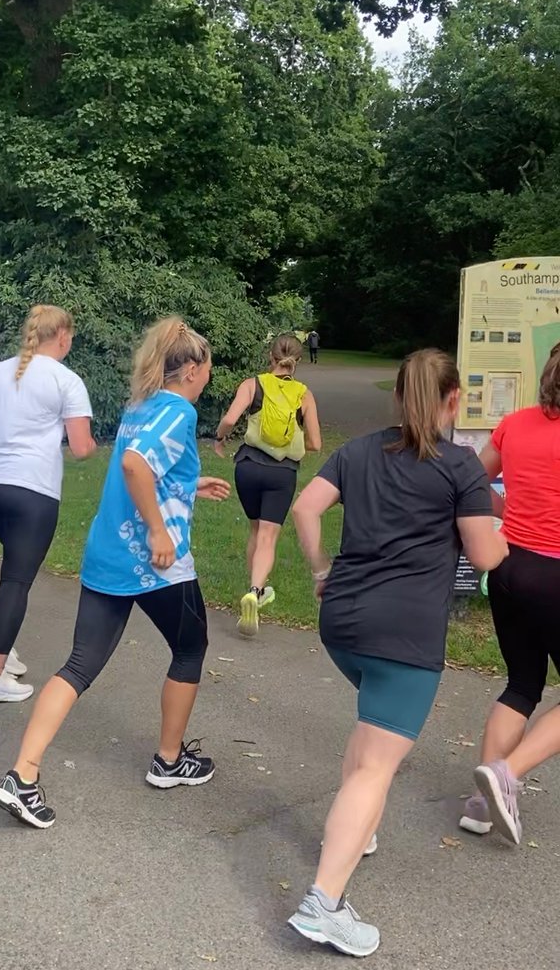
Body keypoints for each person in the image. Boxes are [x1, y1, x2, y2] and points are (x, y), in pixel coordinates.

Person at [288, 349, 507, 957]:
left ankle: (357, 833)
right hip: (404, 636)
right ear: (453, 400)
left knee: (371, 735)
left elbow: (306, 508)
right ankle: (323, 905)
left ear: (396, 397)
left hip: (344, 623)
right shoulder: (460, 467)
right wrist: (512, 533)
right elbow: (485, 558)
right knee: (376, 766)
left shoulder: (358, 450)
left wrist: (319, 570)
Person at [0, 316, 229, 828]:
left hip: (106, 553)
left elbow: (148, 468)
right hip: (157, 563)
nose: (209, 375)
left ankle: (22, 775)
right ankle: (169, 761)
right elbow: (135, 467)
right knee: (190, 647)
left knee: (79, 664)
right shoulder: (178, 411)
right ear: (189, 369)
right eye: (207, 366)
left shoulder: (139, 406)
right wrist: (160, 532)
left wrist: (189, 485)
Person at [0, 305, 97, 703]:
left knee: (13, 569)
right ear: (62, 336)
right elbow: (80, 448)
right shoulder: (67, 381)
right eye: (70, 336)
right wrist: (93, 442)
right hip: (32, 490)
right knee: (17, 579)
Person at [460, 342, 560, 846]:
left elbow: (473, 480)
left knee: (522, 684)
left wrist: (507, 514)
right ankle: (507, 773)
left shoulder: (516, 423)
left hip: (509, 566)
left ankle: (482, 803)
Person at [215, 334, 321, 636]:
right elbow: (315, 442)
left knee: (255, 528)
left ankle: (255, 590)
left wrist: (220, 439)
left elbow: (230, 418)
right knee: (268, 535)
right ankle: (255, 591)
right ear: (297, 362)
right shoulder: (304, 394)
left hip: (247, 467)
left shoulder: (253, 384)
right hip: (282, 472)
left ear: (270, 356)